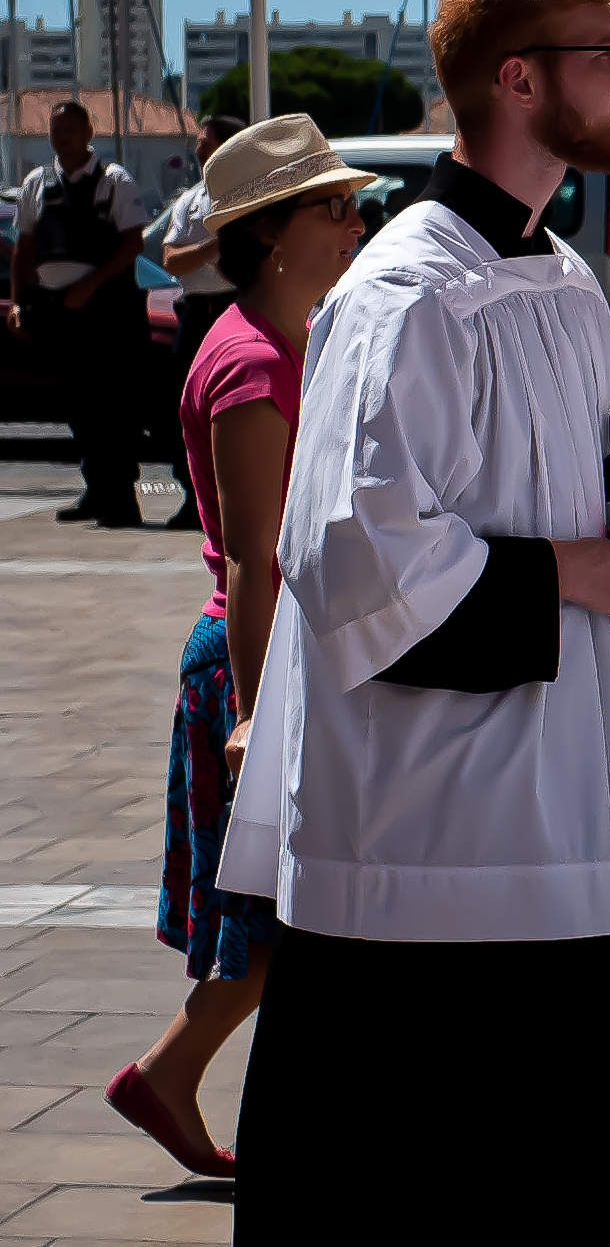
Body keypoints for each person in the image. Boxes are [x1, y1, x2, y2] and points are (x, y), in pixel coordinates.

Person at [219, 0, 610, 1241]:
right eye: (605, 54)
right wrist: (587, 573)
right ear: (517, 77)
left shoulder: (561, 280)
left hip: (582, 831)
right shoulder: (403, 294)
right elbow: (352, 559)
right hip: (437, 872)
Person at [107, 115, 369, 1180]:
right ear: (268, 234)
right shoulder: (252, 367)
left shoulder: (292, 341)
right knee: (279, 913)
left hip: (279, 657)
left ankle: (167, 1076)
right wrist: (258, 714)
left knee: (274, 916)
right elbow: (257, 562)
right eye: (333, 209)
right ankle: (175, 1079)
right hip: (251, 662)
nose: (356, 225)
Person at [9, 100, 152, 527]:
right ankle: (97, 490)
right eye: (56, 130)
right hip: (60, 313)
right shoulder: (38, 182)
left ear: (90, 131)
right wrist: (19, 301)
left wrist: (90, 285)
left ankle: (121, 499)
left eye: (71, 128)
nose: (63, 137)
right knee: (78, 407)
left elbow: (132, 244)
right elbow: (24, 249)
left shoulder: (114, 181)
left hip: (108, 311)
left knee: (114, 407)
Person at [157, 114, 252, 534]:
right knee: (184, 409)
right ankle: (192, 497)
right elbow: (172, 260)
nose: (199, 147)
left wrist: (204, 253)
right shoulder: (191, 201)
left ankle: (238, 498)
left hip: (236, 310)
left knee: (238, 409)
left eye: (207, 140)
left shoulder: (250, 197)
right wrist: (216, 244)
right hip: (195, 315)